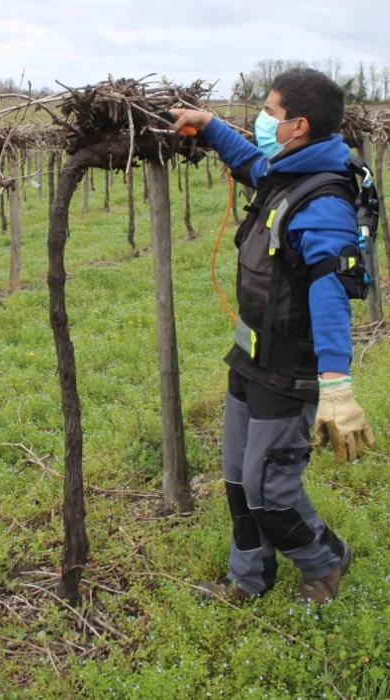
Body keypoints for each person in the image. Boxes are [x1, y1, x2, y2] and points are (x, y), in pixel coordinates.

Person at [170, 67, 374, 604]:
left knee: (270, 490)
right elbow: (252, 164)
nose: (262, 119)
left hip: (289, 365)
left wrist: (336, 383)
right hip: (250, 354)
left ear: (298, 125)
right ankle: (250, 577)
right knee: (238, 477)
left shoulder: (324, 202)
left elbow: (328, 290)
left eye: (269, 110)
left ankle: (326, 561)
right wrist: (210, 125)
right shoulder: (288, 172)